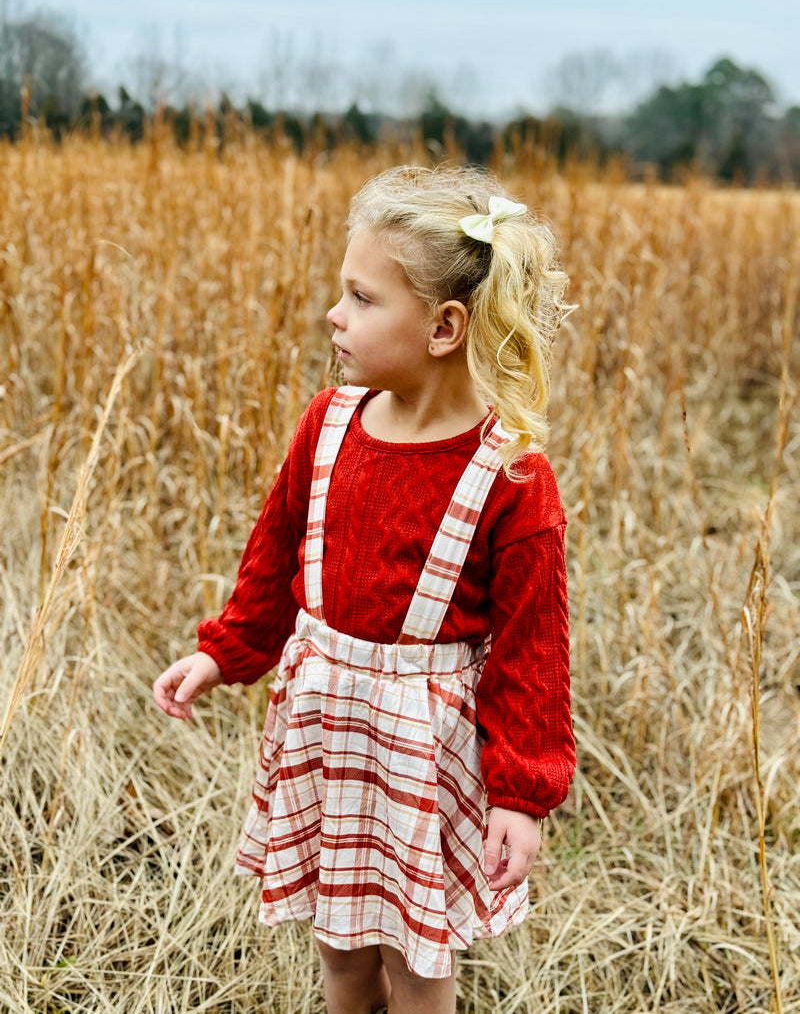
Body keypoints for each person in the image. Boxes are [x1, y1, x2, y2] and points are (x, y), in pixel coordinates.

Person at [153, 164, 576, 1014]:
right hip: (325, 722)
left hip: (422, 749)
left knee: (417, 966)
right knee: (343, 949)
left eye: (361, 297)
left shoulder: (512, 479)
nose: (334, 316)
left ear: (445, 326)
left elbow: (534, 649)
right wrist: (224, 651)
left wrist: (522, 795)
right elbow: (276, 557)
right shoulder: (329, 422)